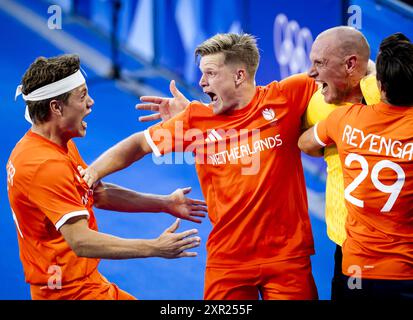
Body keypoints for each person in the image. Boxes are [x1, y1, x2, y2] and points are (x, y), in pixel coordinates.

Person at [138, 26, 381, 300]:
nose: (314, 73)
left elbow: (356, 66)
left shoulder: (362, 94)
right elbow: (139, 144)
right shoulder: (316, 101)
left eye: (211, 73)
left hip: (304, 255)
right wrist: (200, 115)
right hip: (242, 257)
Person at [82, 33, 319, 300]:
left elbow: (340, 71)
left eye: (210, 73)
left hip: (287, 259)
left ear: (239, 75)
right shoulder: (196, 120)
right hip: (229, 262)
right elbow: (139, 145)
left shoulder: (286, 96)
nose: (201, 82)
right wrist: (92, 172)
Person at [7, 54, 206, 300]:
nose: (91, 102)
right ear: (56, 107)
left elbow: (96, 193)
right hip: (68, 294)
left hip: (85, 284)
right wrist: (154, 247)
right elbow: (81, 241)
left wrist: (164, 203)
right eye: (82, 96)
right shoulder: (44, 165)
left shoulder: (53, 144)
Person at [298, 33, 413, 299]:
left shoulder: (345, 119)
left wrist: (340, 143)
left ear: (379, 83)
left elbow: (304, 143)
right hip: (403, 269)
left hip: (356, 262)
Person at [304, 26, 380, 299]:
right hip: (347, 247)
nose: (311, 73)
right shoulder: (318, 103)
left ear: (350, 64)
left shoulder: (387, 96)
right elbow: (304, 141)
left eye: (319, 63)